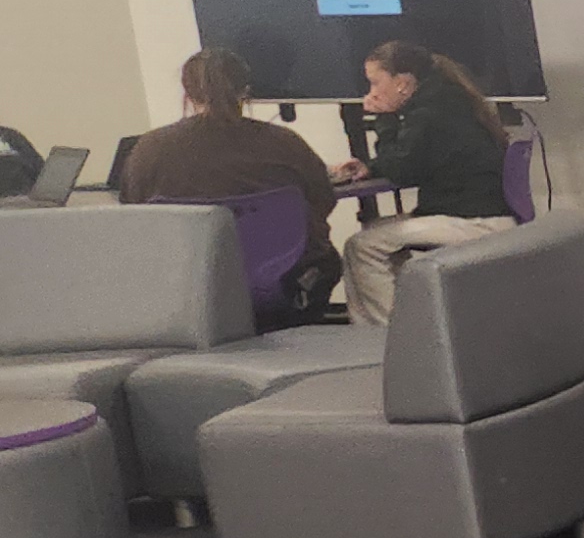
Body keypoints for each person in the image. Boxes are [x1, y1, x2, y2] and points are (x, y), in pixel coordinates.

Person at [119, 46, 340, 311]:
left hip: (189, 289)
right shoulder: (285, 143)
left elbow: (135, 212)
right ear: (245, 92)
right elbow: (322, 201)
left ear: (187, 94)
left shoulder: (149, 148)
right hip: (288, 286)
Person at [328, 40, 514, 325]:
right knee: (376, 232)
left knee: (362, 246)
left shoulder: (429, 114)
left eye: (376, 83)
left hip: (475, 220)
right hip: (480, 210)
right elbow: (415, 159)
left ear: (402, 83)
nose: (371, 93)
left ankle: (393, 336)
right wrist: (370, 167)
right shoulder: (450, 100)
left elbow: (401, 170)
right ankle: (410, 320)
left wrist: (384, 119)